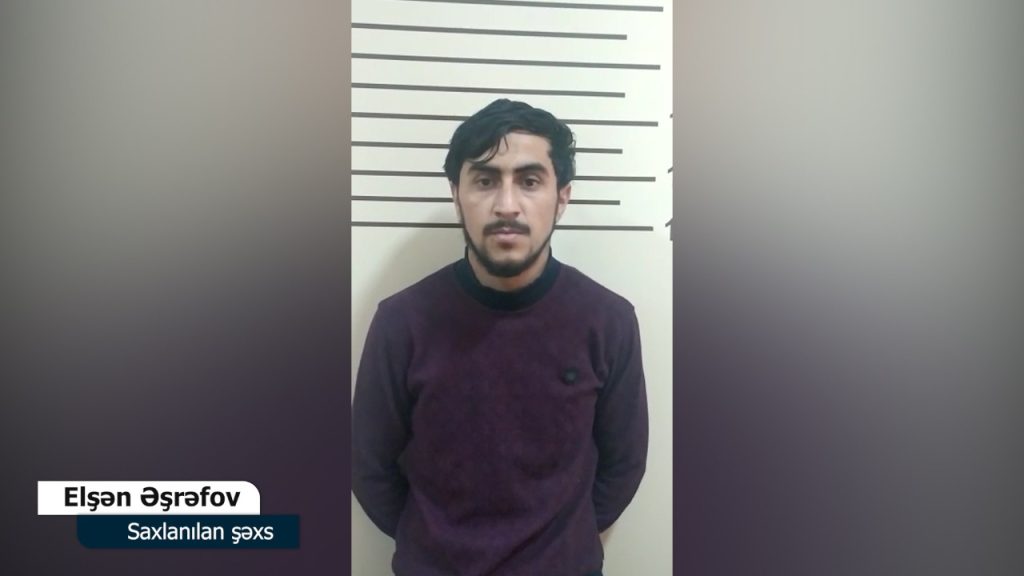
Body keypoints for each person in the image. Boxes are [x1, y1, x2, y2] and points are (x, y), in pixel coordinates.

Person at [352, 98, 649, 576]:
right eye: (485, 180)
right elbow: (368, 466)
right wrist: (432, 545)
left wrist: (562, 545)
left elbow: (624, 463)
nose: (506, 205)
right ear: (456, 194)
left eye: (529, 181)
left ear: (563, 197)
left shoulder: (608, 321)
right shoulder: (401, 322)